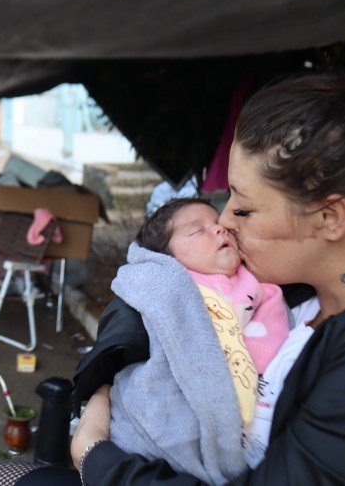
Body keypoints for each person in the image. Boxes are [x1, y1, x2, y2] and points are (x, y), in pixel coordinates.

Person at [70, 63, 345, 484]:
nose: (226, 220)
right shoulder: (304, 286)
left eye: (245, 208)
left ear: (329, 217)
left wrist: (94, 454)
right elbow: (154, 287)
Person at [106, 198, 289, 484]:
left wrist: (252, 359)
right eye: (198, 230)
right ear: (169, 256)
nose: (219, 230)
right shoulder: (172, 284)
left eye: (218, 224)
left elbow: (273, 328)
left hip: (239, 404)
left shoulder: (254, 285)